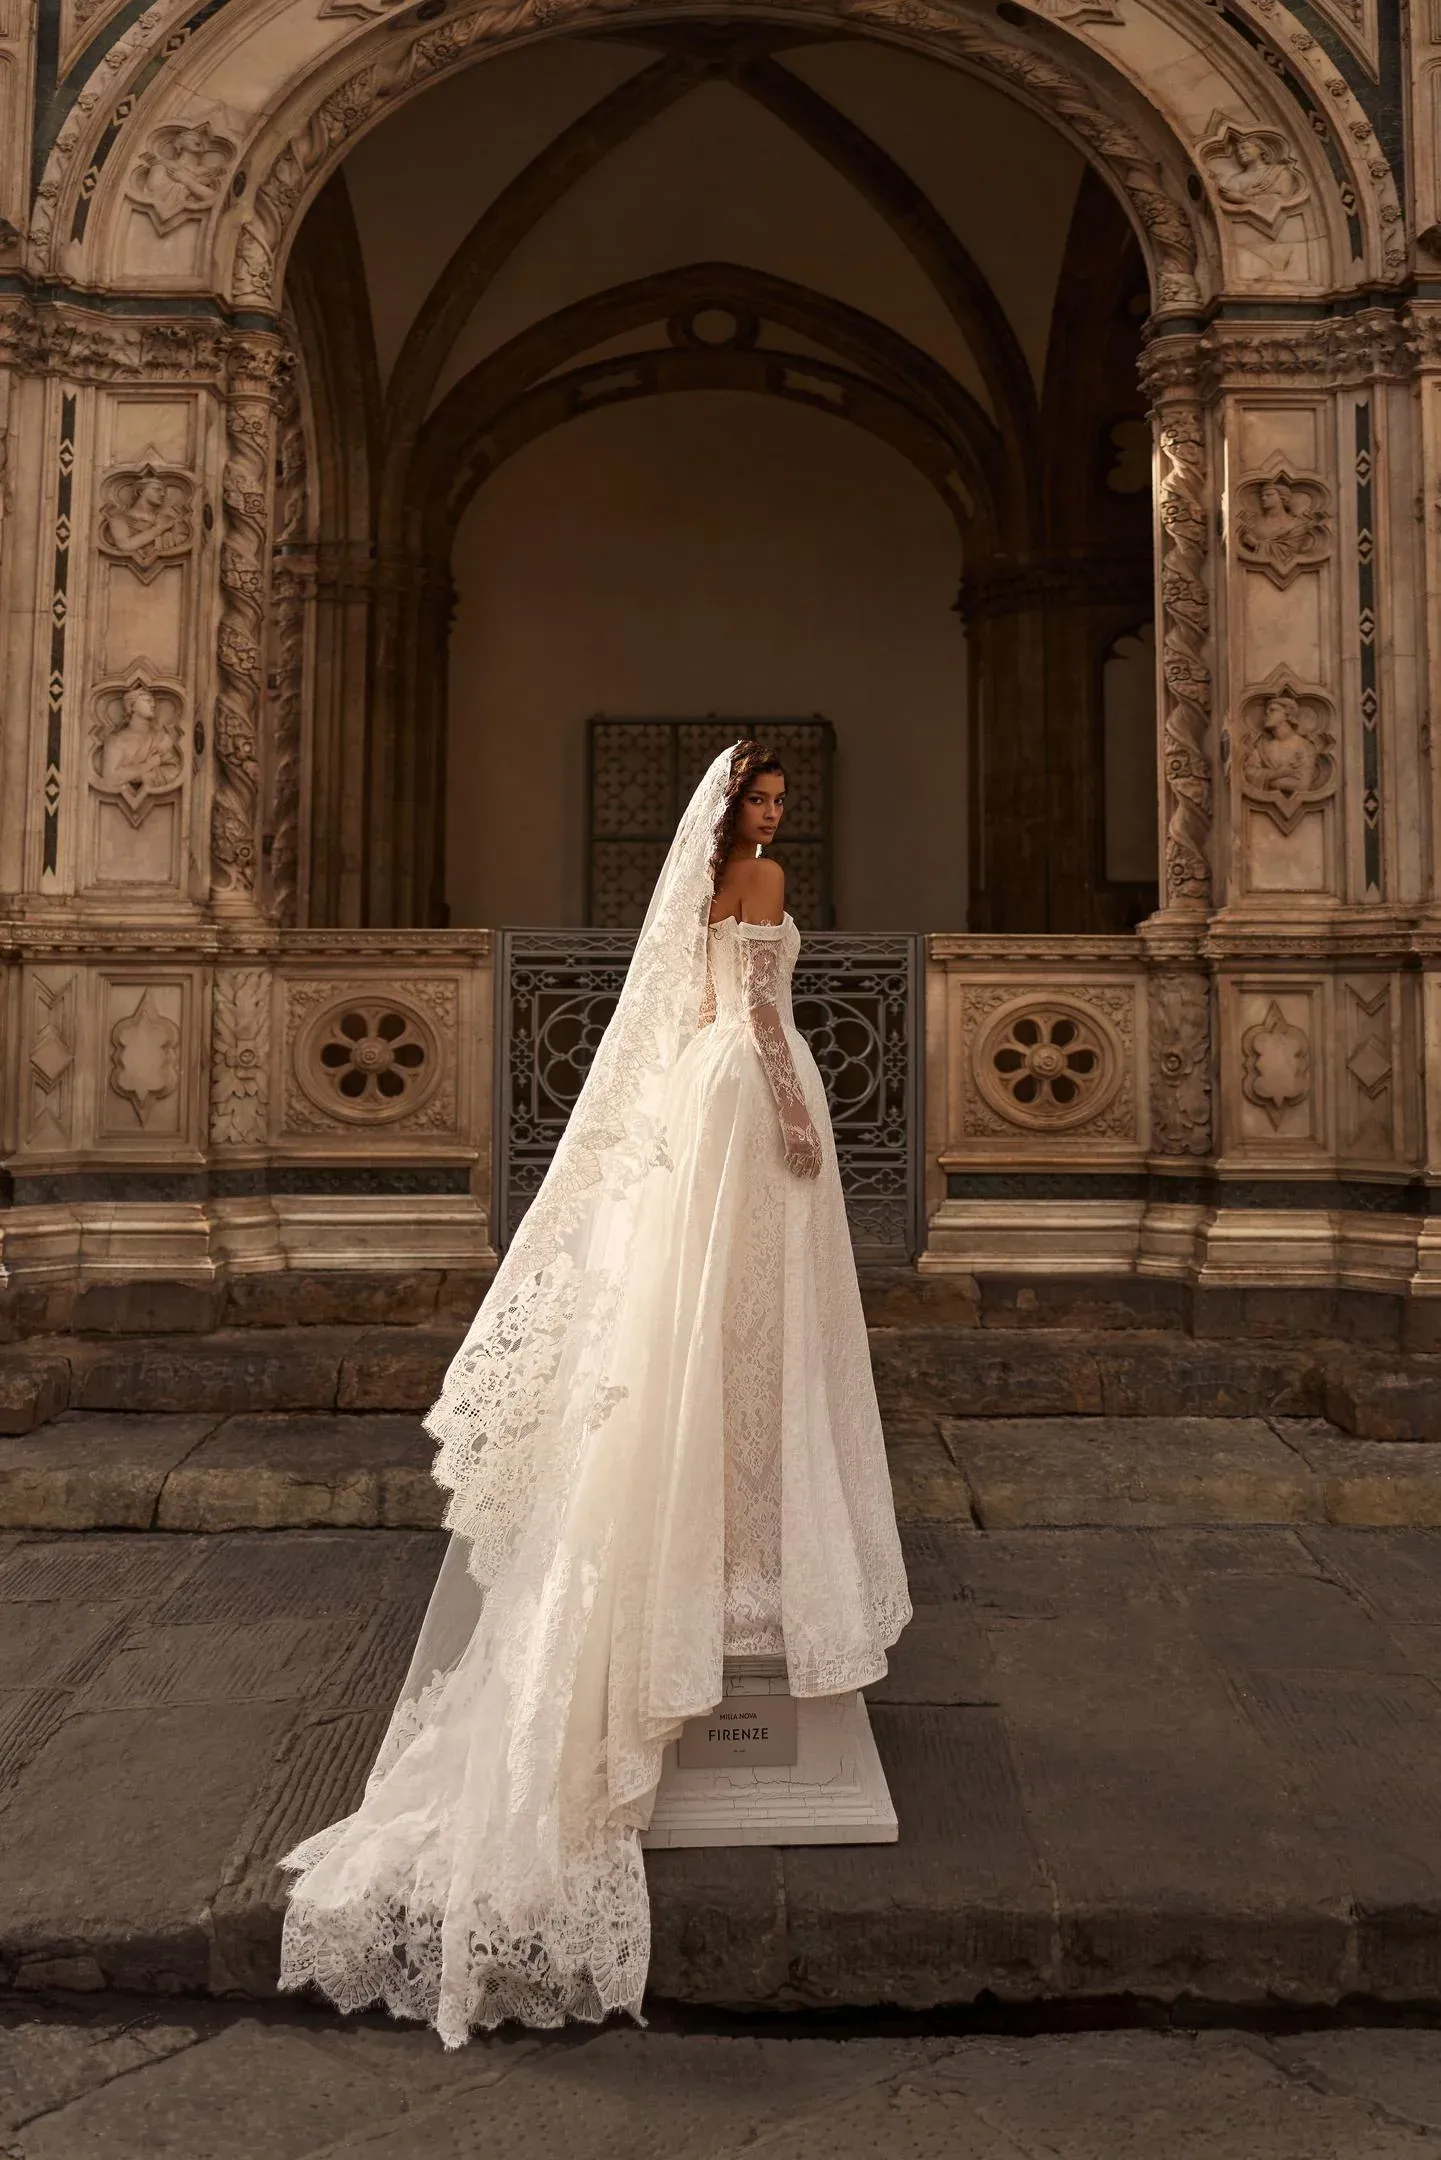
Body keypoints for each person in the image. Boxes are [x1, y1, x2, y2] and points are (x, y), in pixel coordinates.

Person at [278, 740, 911, 2044]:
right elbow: (761, 1019)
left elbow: (692, 1011)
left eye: (779, 802)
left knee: (711, 1322)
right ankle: (748, 1557)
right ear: (732, 813)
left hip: (701, 1099)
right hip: (755, 1096)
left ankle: (728, 1543)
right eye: (761, 800)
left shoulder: (700, 888)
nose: (773, 817)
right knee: (753, 1326)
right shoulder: (761, 881)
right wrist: (797, 1112)